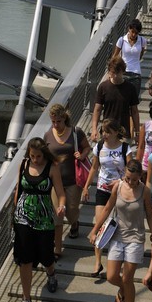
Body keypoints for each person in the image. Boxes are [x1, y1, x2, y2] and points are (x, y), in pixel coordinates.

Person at [89, 153, 152, 302]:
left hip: (135, 238)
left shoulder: (144, 191)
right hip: (117, 236)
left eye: (134, 180)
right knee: (112, 276)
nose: (131, 183)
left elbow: (150, 215)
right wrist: (95, 230)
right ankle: (125, 291)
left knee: (127, 278)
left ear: (140, 177)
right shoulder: (118, 186)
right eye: (128, 178)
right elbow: (107, 208)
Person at [11, 136, 64, 302]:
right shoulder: (24, 165)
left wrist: (61, 206)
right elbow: (19, 189)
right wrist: (14, 213)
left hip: (44, 219)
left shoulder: (52, 167)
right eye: (32, 156)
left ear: (44, 155)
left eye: (38, 157)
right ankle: (26, 299)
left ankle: (51, 273)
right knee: (25, 259)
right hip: (23, 218)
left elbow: (61, 194)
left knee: (46, 255)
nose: (35, 160)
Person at [81, 120, 128, 281]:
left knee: (119, 226)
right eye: (102, 132)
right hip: (102, 189)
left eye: (107, 132)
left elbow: (129, 172)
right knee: (99, 222)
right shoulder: (100, 147)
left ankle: (117, 261)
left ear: (115, 132)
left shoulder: (125, 149)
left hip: (120, 190)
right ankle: (98, 261)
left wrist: (119, 182)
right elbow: (94, 167)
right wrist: (87, 186)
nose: (104, 135)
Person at [44, 102, 91, 255]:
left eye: (58, 121)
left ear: (64, 118)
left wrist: (82, 155)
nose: (56, 124)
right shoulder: (48, 134)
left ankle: (74, 223)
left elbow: (87, 147)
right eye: (53, 121)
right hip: (55, 183)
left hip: (72, 179)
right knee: (57, 216)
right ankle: (58, 249)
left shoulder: (76, 132)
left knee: (71, 210)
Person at [90, 50, 140, 145]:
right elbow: (97, 110)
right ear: (109, 71)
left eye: (118, 72)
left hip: (124, 133)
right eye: (113, 72)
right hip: (106, 132)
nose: (116, 75)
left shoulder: (130, 88)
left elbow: (134, 111)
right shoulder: (103, 87)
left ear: (123, 71)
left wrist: (137, 132)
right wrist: (94, 129)